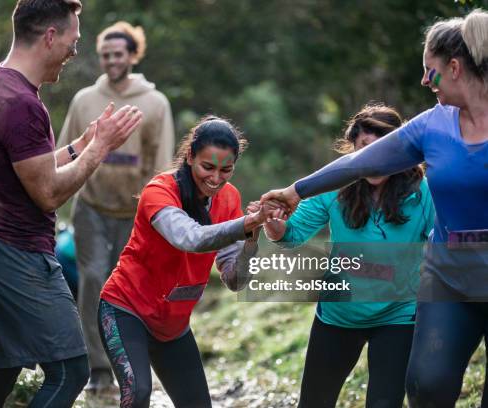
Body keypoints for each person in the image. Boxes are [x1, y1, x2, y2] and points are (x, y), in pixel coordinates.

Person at [261, 9, 488, 407]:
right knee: (426, 384)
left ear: (453, 67)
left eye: (429, 70)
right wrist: (298, 190)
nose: (423, 80)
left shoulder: (420, 189)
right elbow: (360, 163)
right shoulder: (432, 126)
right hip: (450, 277)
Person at [0, 0, 143, 406]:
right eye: (73, 42)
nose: (73, 53)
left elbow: (31, 169)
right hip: (18, 254)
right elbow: (47, 193)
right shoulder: (23, 104)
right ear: (49, 37)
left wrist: (81, 145)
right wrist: (100, 149)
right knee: (70, 371)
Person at [252, 104, 434, 407]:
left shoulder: (421, 191)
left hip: (397, 315)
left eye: (383, 150)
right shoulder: (332, 188)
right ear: (352, 151)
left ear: (400, 151)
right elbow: (292, 234)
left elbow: (442, 235)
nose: (375, 161)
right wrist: (274, 226)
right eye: (365, 150)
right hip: (339, 315)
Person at [97, 116, 278, 408]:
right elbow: (191, 239)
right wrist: (246, 222)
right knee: (138, 393)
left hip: (174, 324)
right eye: (208, 167)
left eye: (226, 170)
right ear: (190, 156)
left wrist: (252, 237)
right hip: (125, 310)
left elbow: (235, 280)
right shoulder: (159, 191)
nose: (216, 179)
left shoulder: (229, 198)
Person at [57, 20, 175, 391]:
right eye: (105, 54)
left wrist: (158, 211)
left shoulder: (154, 102)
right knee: (92, 280)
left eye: (118, 54)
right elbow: (64, 150)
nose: (111, 60)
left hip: (134, 210)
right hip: (91, 205)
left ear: (132, 55)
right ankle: (97, 368)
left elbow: (163, 159)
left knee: (126, 287)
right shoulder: (85, 100)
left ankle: (128, 364)